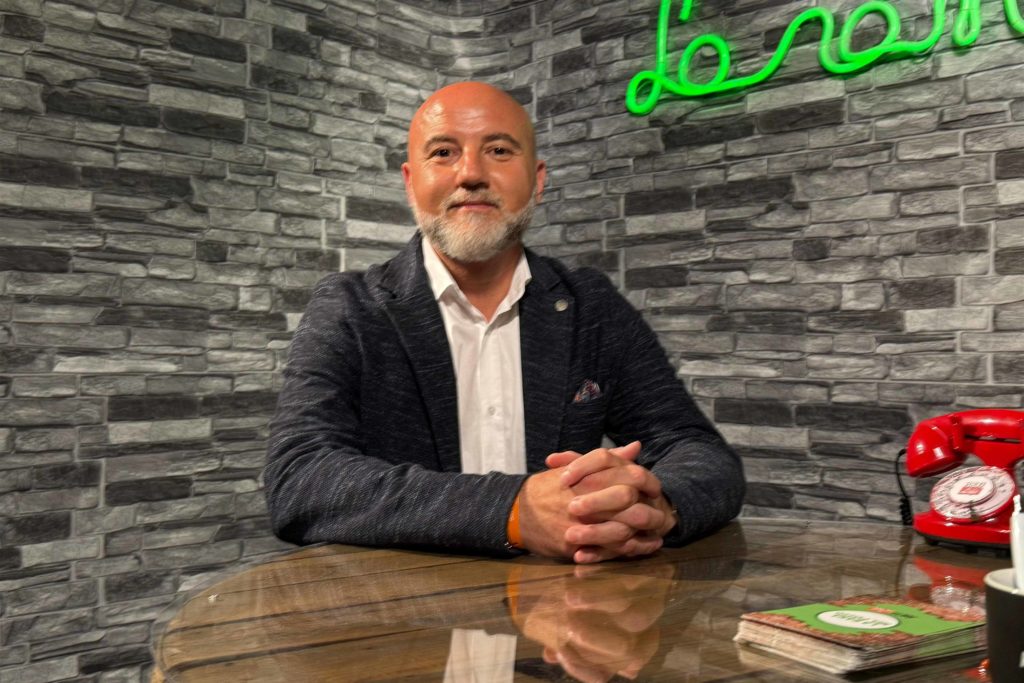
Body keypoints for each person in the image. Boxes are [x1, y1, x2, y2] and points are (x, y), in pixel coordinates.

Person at [264, 81, 744, 564]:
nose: (471, 173)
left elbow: (697, 450)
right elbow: (299, 477)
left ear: (537, 179)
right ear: (410, 182)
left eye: (498, 150)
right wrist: (514, 511)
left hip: (561, 605)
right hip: (403, 607)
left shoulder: (591, 307)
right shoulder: (350, 307)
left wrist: (651, 505)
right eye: (443, 152)